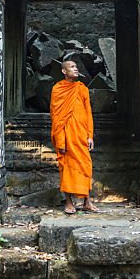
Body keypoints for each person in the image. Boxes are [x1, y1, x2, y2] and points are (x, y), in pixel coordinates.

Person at [50, 59, 98, 214]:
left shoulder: (81, 88)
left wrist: (90, 135)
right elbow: (56, 118)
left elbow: (88, 113)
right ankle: (69, 202)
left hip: (81, 134)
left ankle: (87, 201)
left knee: (85, 166)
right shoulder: (57, 89)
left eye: (76, 66)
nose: (76, 69)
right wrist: (60, 140)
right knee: (67, 167)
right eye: (72, 67)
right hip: (66, 135)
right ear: (64, 71)